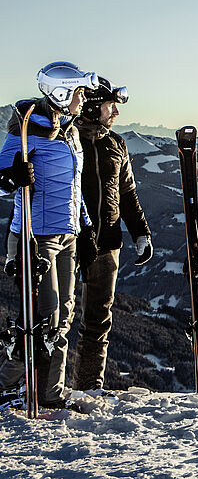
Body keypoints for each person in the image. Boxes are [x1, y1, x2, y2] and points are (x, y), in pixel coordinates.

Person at [0, 61, 99, 408]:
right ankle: (7, 384)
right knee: (45, 318)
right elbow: (1, 181)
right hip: (36, 236)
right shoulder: (25, 130)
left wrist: (84, 228)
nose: (84, 99)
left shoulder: (70, 132)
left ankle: (50, 393)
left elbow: (73, 187)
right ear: (62, 92)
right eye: (80, 93)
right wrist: (14, 176)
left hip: (68, 234)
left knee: (64, 316)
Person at [72, 76, 152, 392]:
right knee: (56, 321)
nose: (115, 113)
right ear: (92, 106)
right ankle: (46, 391)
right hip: (68, 244)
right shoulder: (65, 139)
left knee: (97, 323)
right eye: (110, 106)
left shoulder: (116, 144)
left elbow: (127, 193)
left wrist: (140, 233)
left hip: (107, 245)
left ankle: (87, 389)